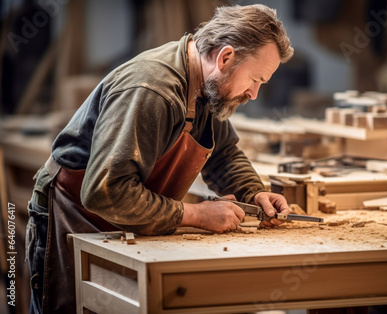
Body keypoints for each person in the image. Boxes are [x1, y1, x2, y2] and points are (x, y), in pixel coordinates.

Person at [25, 3, 294, 313]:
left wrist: (254, 192)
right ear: (226, 57)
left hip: (126, 225)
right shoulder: (153, 89)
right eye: (255, 79)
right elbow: (105, 191)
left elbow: (224, 153)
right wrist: (197, 215)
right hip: (74, 218)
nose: (254, 94)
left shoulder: (208, 86)